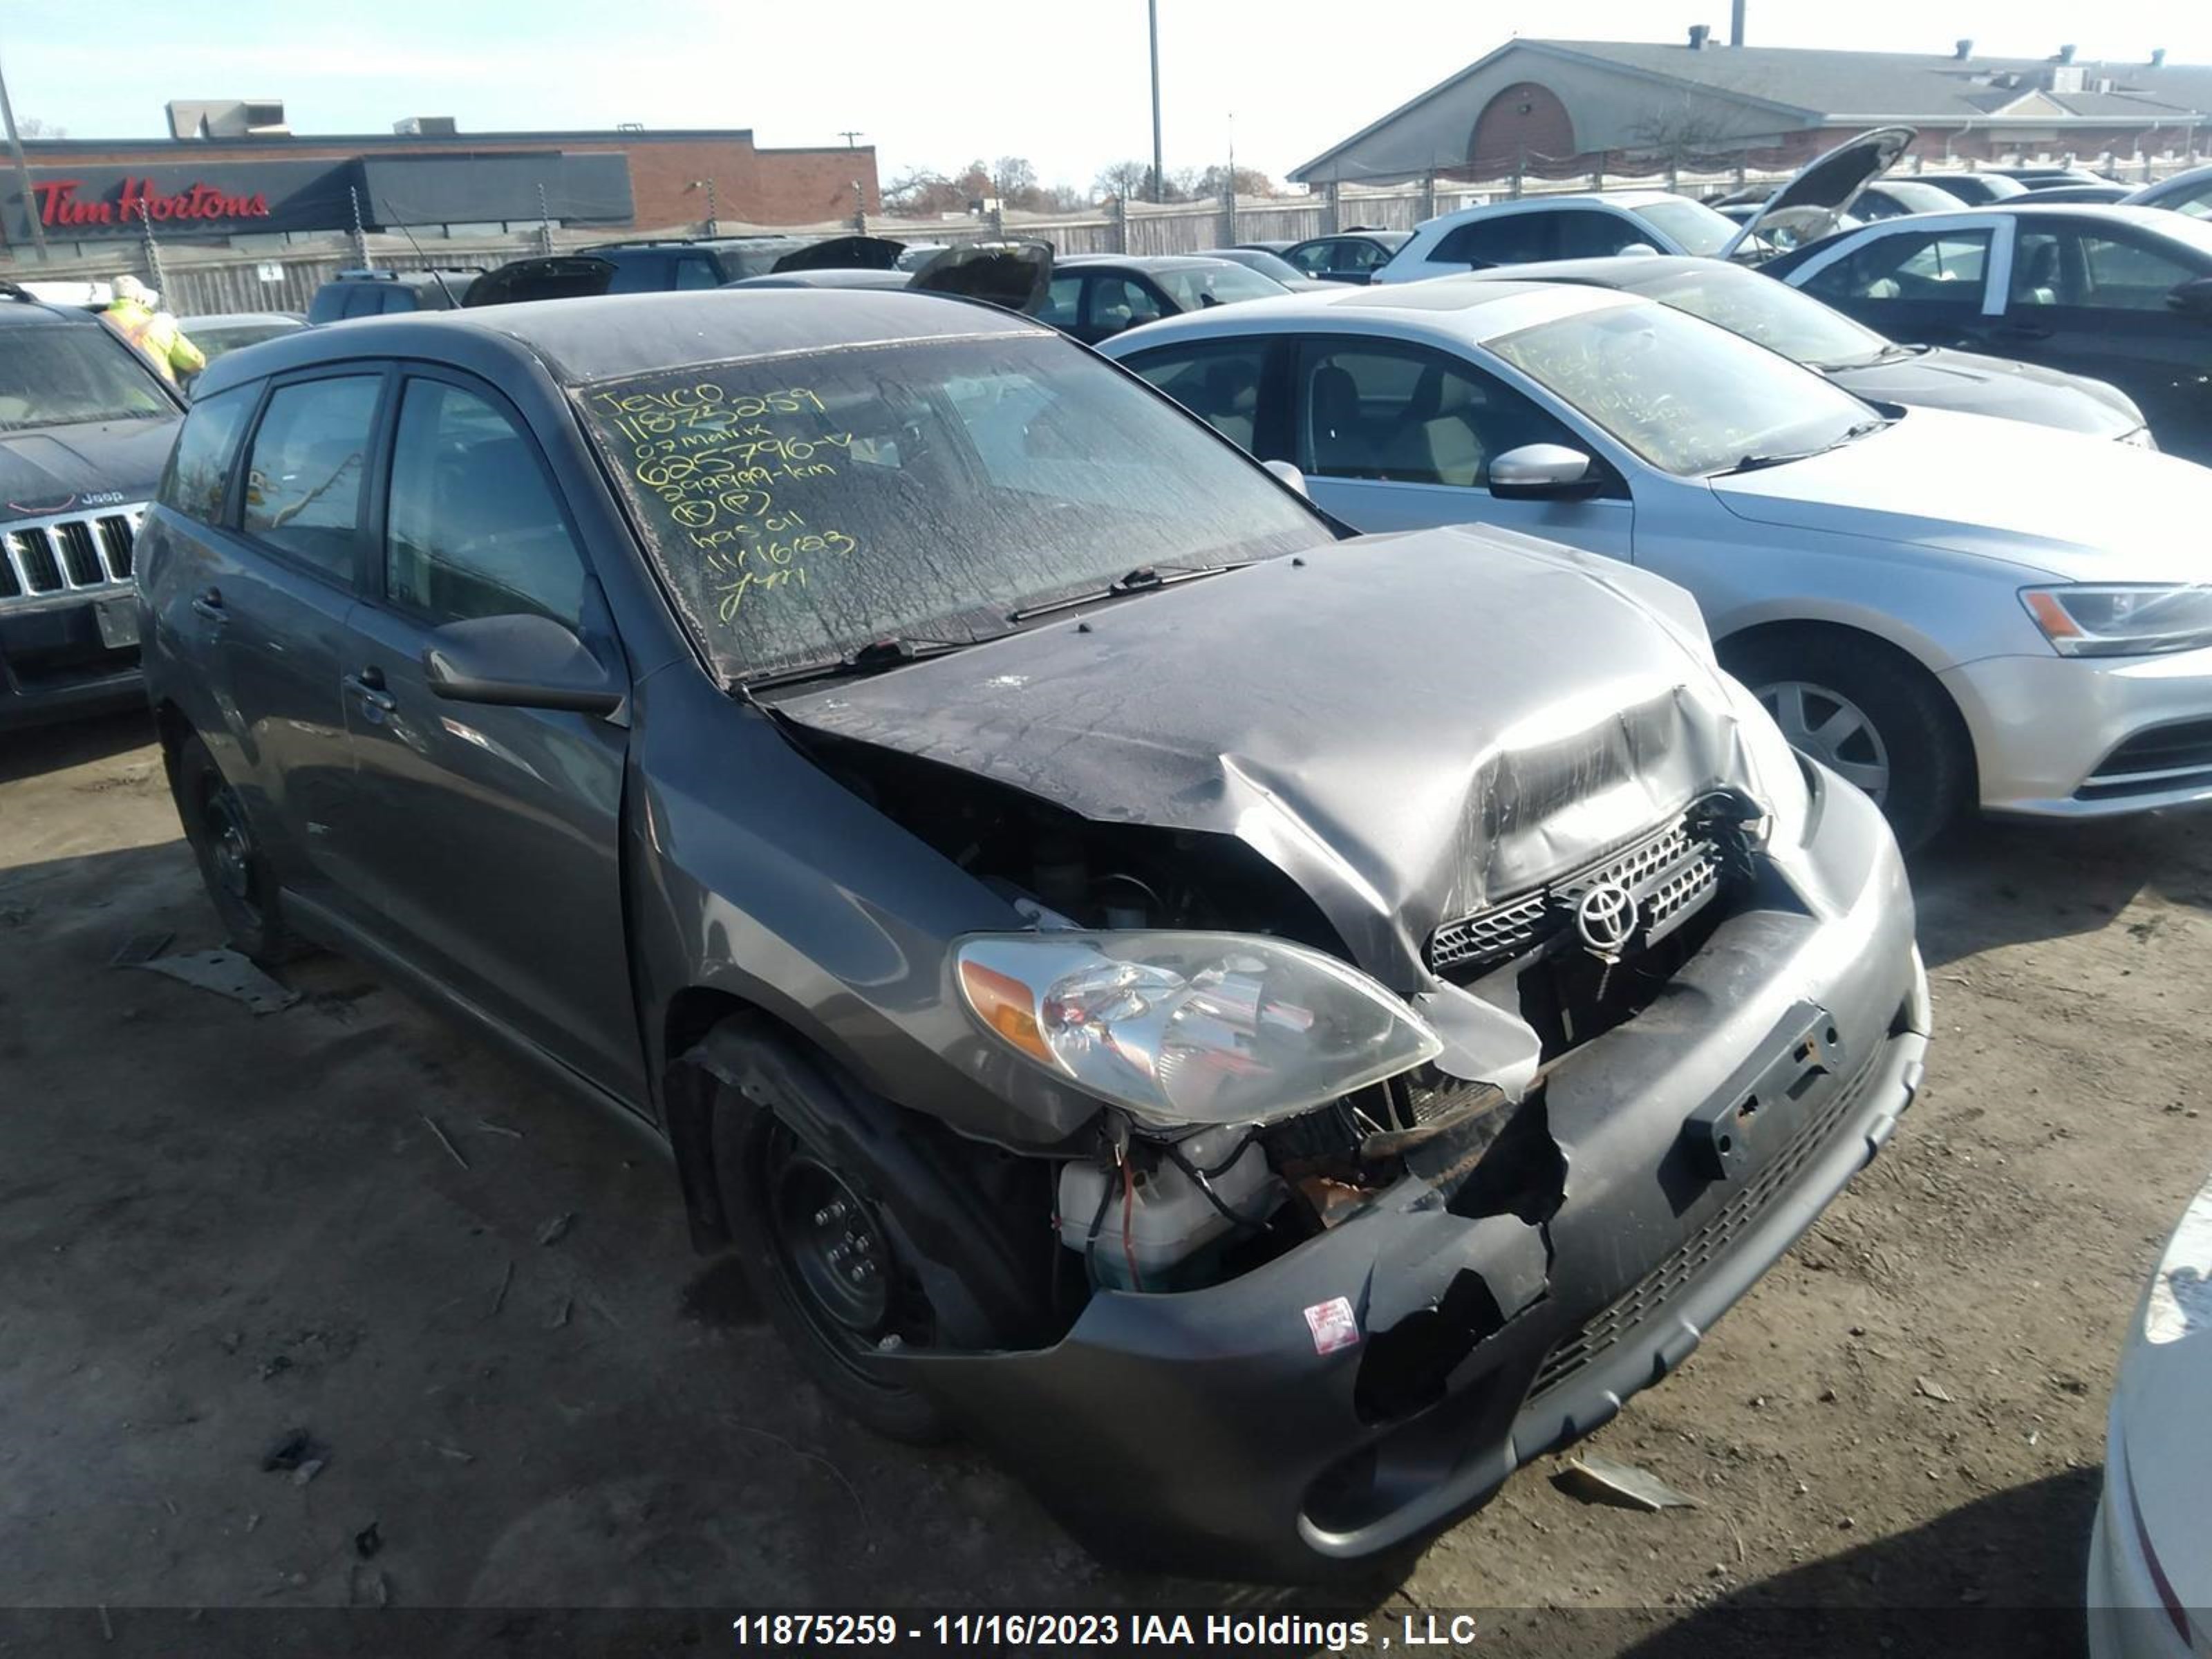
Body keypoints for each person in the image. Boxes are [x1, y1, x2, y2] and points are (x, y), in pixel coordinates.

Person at [103, 274, 205, 386]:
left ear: (113, 297)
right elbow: (194, 362)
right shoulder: (158, 323)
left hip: (112, 397)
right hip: (159, 395)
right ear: (138, 297)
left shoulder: (98, 322)